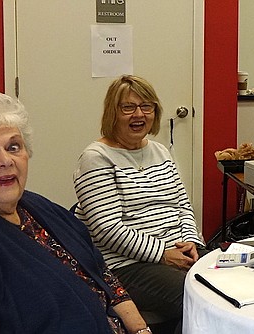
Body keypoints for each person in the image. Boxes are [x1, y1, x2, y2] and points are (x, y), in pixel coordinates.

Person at [0, 92, 150, 333]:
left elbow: (99, 270)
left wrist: (140, 329)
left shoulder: (35, 206)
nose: (5, 160)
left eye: (13, 147)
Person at [73, 75, 206, 331]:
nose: (139, 114)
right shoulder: (96, 158)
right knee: (199, 297)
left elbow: (182, 205)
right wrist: (163, 255)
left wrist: (191, 241)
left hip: (176, 252)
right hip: (126, 266)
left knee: (230, 281)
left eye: (147, 107)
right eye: (128, 107)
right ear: (113, 113)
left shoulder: (160, 151)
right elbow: (108, 229)